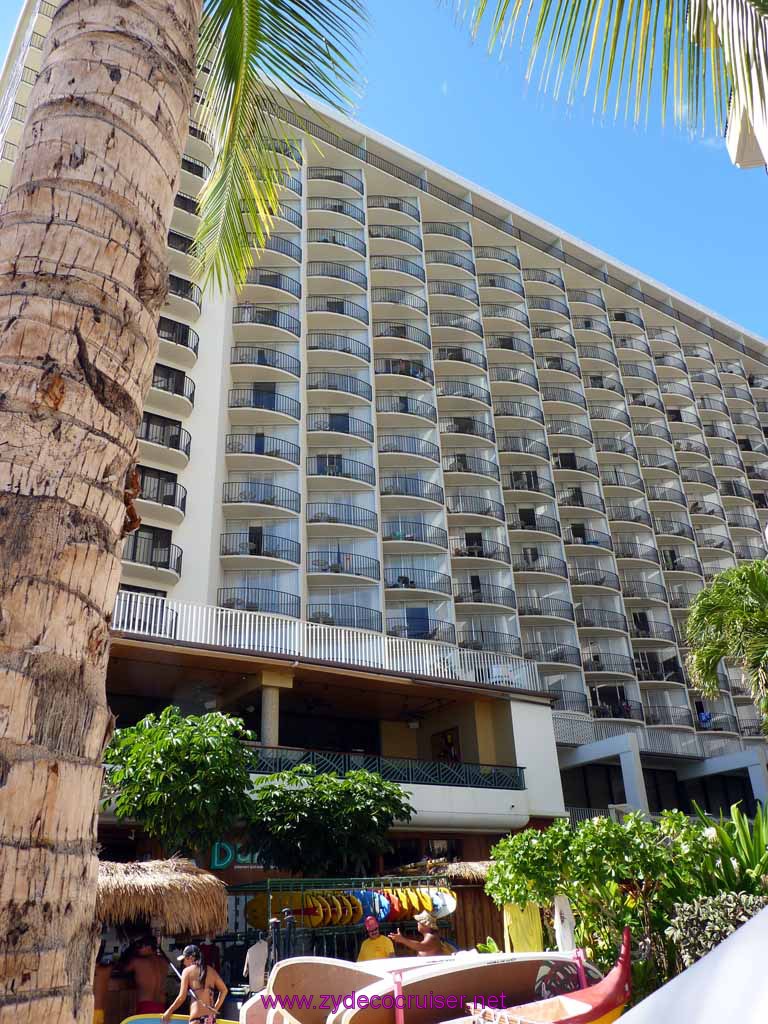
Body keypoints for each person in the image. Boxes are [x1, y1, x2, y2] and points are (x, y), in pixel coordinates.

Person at [162, 944, 228, 1023]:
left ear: (191, 958)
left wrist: (169, 1011)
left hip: (196, 1019)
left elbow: (181, 997)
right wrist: (215, 1010)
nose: (184, 963)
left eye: (185, 960)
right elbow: (224, 990)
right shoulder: (211, 971)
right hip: (210, 1019)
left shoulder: (187, 971)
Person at [125, 935, 169, 1015]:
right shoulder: (164, 962)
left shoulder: (137, 962)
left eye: (141, 946)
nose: (138, 949)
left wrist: (130, 952)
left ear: (148, 947)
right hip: (162, 1005)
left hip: (145, 1005)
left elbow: (122, 970)